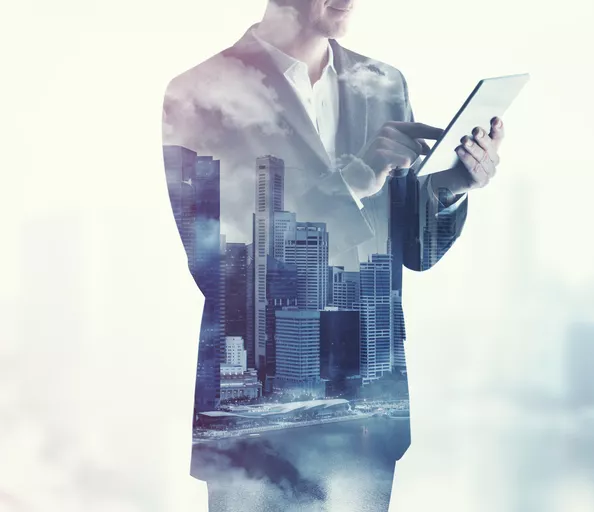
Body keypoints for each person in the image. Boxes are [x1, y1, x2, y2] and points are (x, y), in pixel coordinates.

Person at [161, 0, 506, 510]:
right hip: (254, 421)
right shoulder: (198, 92)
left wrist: (453, 186)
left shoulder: (385, 84)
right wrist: (356, 179)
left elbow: (412, 249)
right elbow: (216, 263)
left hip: (364, 416)